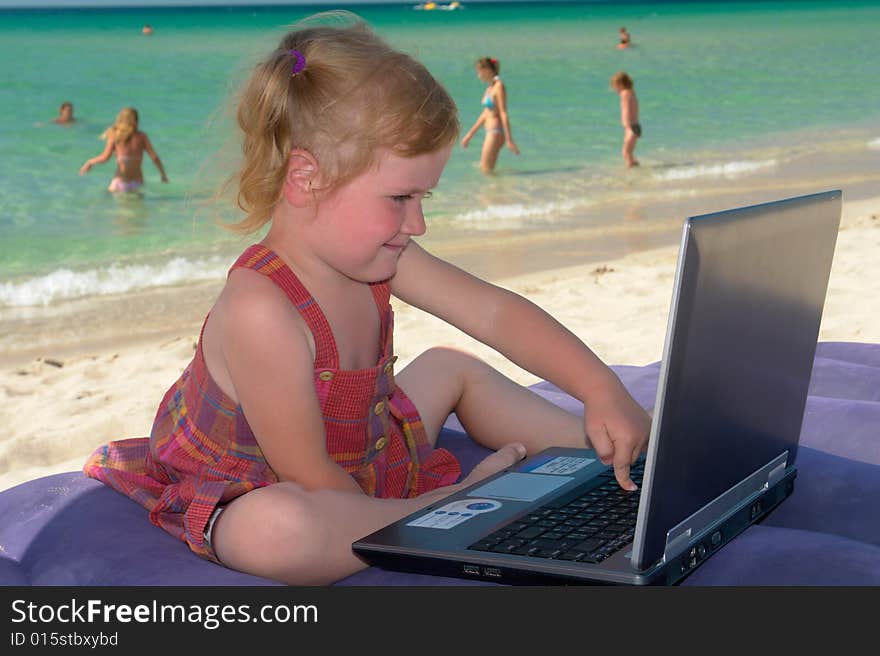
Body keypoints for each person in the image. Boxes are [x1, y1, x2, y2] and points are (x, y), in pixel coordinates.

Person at [83, 16, 650, 586]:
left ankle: (617, 454)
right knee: (277, 528)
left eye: (422, 196)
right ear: (307, 178)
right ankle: (449, 515)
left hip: (366, 454)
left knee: (453, 366)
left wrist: (599, 389)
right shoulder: (262, 310)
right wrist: (458, 501)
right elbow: (311, 480)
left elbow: (493, 312)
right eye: (401, 197)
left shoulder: (381, 256)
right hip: (271, 480)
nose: (418, 222)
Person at [79, 107, 168, 192]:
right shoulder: (142, 137)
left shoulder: (115, 136)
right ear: (136, 121)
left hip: (119, 183)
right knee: (136, 207)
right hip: (137, 183)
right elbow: (154, 157)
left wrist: (90, 162)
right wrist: (163, 174)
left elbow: (105, 158)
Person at [460, 56, 520, 174]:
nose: (479, 75)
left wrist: (509, 139)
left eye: (479, 71)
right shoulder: (489, 88)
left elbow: (503, 112)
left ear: (487, 70)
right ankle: (495, 190)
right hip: (491, 131)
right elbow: (485, 114)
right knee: (486, 169)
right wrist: (469, 135)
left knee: (486, 170)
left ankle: (492, 191)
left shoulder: (499, 87)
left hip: (496, 132)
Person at [611, 71, 641, 168]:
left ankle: (631, 170)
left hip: (631, 127)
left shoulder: (625, 93)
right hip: (634, 126)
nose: (615, 89)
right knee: (629, 152)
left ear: (620, 84)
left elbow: (627, 108)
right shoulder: (631, 92)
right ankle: (635, 166)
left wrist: (627, 123)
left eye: (615, 86)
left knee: (626, 152)